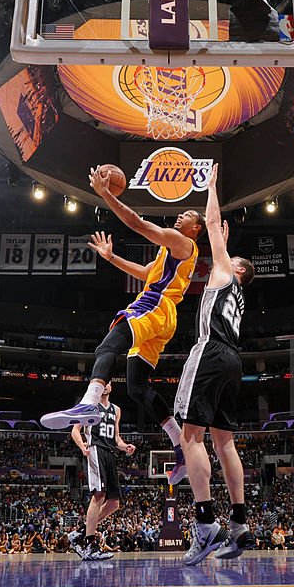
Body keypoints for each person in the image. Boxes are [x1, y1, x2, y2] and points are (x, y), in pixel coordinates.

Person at [40, 165, 204, 483]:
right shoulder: (170, 253)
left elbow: (137, 223)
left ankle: (89, 402)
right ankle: (180, 445)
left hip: (154, 305)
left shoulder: (181, 242)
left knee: (108, 343)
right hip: (164, 316)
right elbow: (145, 273)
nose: (180, 216)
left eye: (188, 215)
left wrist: (104, 194)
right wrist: (111, 257)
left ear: (197, 229)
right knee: (137, 387)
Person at [174, 164, 256, 566]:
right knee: (225, 442)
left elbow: (210, 220)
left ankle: (205, 523)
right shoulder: (238, 293)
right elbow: (218, 240)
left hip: (209, 352)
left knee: (192, 437)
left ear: (238, 269)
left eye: (229, 255)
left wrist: (211, 187)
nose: (223, 255)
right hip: (233, 361)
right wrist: (224, 241)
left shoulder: (227, 271)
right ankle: (239, 523)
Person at [68, 381, 136, 561]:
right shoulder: (89, 405)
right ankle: (90, 545)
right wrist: (82, 445)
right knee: (98, 495)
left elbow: (117, 438)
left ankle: (80, 532)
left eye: (108, 384)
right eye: (102, 383)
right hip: (95, 449)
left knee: (114, 503)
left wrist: (124, 447)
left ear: (111, 387)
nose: (105, 386)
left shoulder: (116, 410)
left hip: (110, 452)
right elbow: (75, 430)